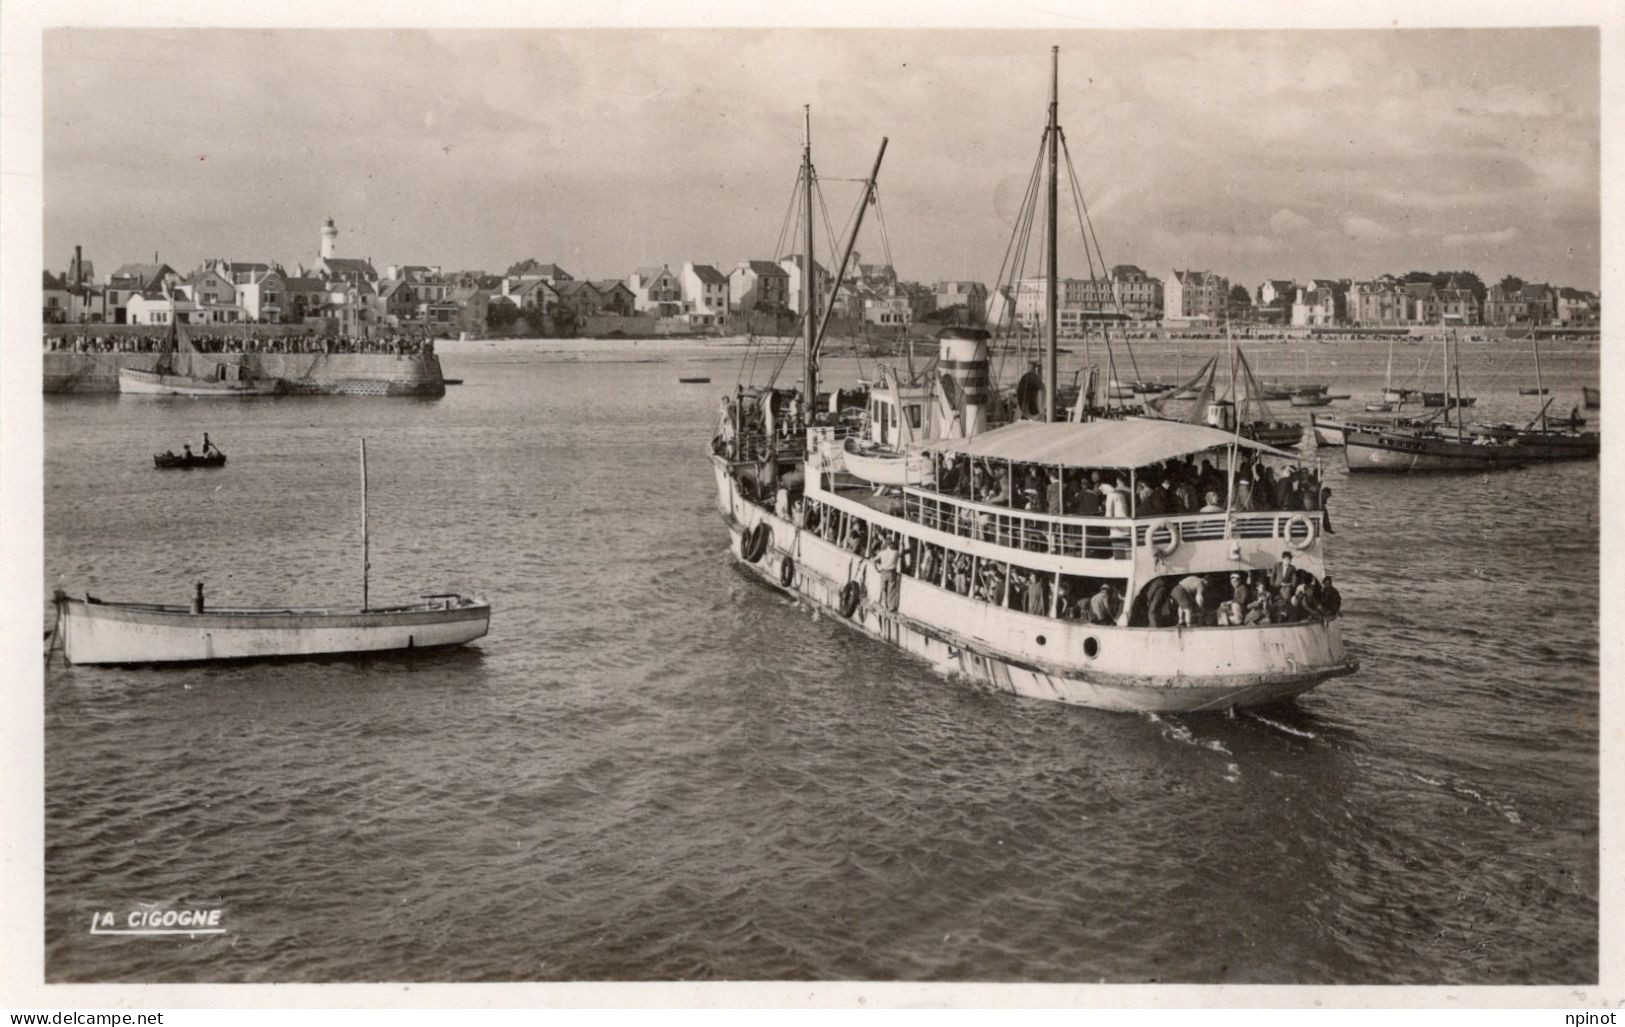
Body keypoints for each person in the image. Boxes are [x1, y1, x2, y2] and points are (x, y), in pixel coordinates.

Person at [872, 536, 900, 612]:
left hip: (883, 571)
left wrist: (877, 569)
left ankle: (885, 605)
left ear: (886, 545)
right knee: (891, 589)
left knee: (883, 589)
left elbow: (874, 560)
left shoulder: (882, 553)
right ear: (892, 545)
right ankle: (890, 607)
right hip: (891, 572)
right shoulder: (895, 552)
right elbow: (901, 556)